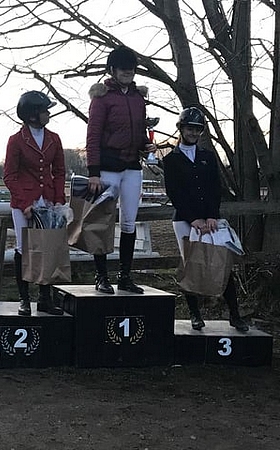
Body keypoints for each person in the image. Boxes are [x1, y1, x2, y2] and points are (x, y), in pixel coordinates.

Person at [163, 107, 249, 332]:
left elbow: (215, 188)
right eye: (190, 128)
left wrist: (211, 215)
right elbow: (174, 193)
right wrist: (193, 219)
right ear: (181, 129)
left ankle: (235, 314)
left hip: (210, 219)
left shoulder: (208, 157)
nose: (193, 133)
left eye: (197, 129)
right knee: (192, 264)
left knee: (222, 264)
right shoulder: (171, 160)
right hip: (184, 220)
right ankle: (194, 314)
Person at [85, 45, 157, 295]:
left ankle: (125, 276)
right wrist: (93, 171)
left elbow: (137, 132)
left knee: (129, 222)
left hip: (132, 168)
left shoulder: (138, 98)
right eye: (123, 69)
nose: (128, 72)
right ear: (113, 70)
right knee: (103, 221)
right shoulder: (102, 98)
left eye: (131, 69)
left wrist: (146, 144)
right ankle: (101, 276)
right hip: (107, 167)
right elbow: (93, 136)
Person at [4, 91, 65, 316]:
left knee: (47, 247)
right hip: (25, 201)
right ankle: (24, 298)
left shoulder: (54, 138)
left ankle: (45, 297)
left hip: (47, 199)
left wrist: (58, 200)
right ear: (32, 115)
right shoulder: (16, 141)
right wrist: (24, 203)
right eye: (43, 111)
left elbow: (59, 171)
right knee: (23, 248)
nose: (48, 114)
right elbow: (10, 175)